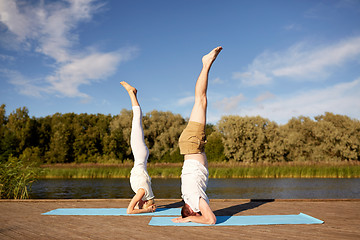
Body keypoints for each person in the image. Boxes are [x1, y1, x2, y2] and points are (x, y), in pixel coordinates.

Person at [172, 46, 223, 225]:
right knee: (201, 100)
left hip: (192, 144)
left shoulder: (193, 199)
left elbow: (210, 221)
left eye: (196, 214)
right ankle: (206, 64)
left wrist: (189, 220)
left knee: (200, 99)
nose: (200, 212)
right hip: (193, 145)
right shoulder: (189, 197)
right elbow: (204, 216)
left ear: (192, 210)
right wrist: (186, 217)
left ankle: (206, 63)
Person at [120, 81, 157, 214]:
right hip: (140, 154)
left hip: (141, 155)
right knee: (136, 121)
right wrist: (146, 211)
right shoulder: (143, 192)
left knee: (137, 123)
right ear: (146, 202)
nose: (139, 205)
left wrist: (145, 208)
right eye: (142, 206)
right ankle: (132, 93)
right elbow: (129, 211)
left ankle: (132, 93)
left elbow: (134, 208)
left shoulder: (147, 193)